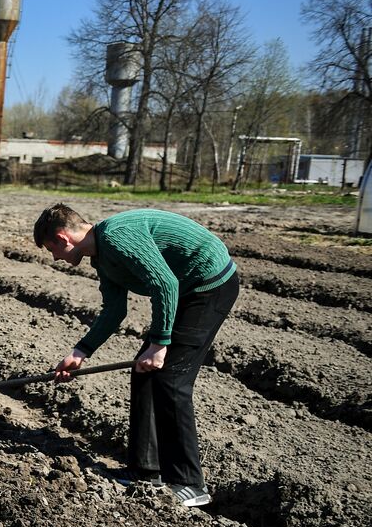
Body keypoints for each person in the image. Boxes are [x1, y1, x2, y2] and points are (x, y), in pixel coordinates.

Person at [34, 203, 239, 508]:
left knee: (170, 378)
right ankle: (145, 470)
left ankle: (189, 483)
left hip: (210, 286)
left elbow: (165, 283)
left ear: (64, 238)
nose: (55, 258)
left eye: (53, 250)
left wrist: (159, 344)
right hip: (187, 289)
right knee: (144, 372)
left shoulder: (117, 237)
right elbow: (114, 311)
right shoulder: (103, 258)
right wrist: (80, 353)